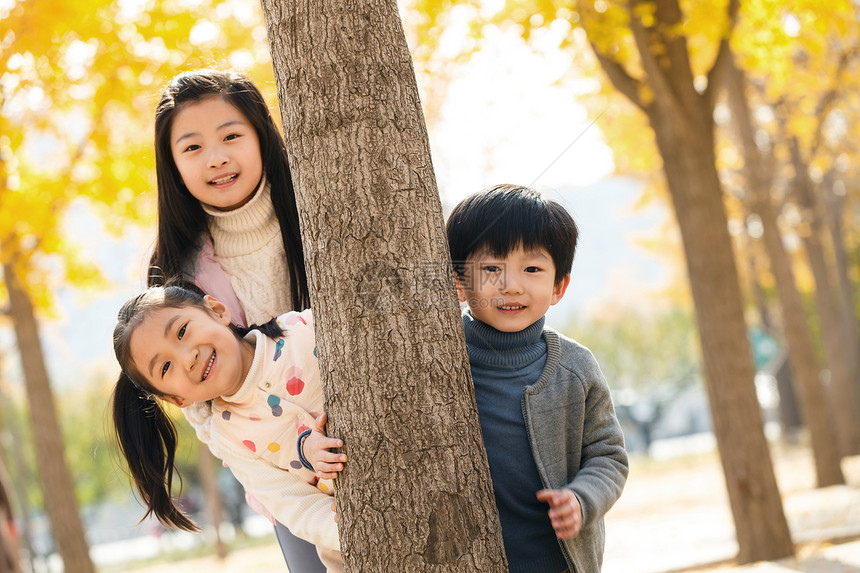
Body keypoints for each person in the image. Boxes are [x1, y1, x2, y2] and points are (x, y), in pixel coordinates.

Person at [146, 68, 327, 571]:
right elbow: (203, 409)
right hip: (284, 467)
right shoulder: (174, 272)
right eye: (192, 147)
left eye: (231, 136)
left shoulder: (320, 206)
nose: (217, 157)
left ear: (261, 137)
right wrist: (282, 459)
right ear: (173, 165)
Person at [446, 184, 629, 573]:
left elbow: (608, 456)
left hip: (558, 562)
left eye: (532, 269)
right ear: (460, 283)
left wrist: (581, 499)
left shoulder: (575, 368)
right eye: (491, 268)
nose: (511, 284)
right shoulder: (438, 358)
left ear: (558, 286)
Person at [111, 284, 346, 571]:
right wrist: (353, 529)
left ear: (217, 310)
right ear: (176, 399)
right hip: (348, 544)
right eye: (165, 367)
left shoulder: (302, 329)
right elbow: (292, 503)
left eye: (182, 331)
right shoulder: (229, 436)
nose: (187, 358)